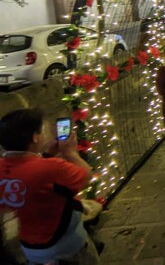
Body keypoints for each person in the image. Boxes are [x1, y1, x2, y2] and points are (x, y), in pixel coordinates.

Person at [0, 109, 100, 264]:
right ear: (34, 137)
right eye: (43, 131)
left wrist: (46, 155)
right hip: (63, 245)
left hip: (30, 246)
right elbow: (85, 177)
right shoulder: (51, 168)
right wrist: (70, 153)